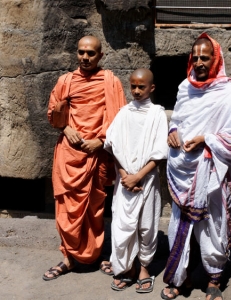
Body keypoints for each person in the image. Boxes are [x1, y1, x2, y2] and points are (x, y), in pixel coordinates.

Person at [161, 33, 231, 300]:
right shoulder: (183, 88)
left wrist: (206, 139)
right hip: (182, 167)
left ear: (216, 59)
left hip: (213, 169)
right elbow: (177, 118)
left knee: (213, 224)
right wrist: (173, 131)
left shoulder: (229, 92)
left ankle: (214, 278)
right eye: (196, 57)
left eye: (205, 57)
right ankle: (182, 277)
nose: (199, 62)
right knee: (180, 225)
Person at [43, 35, 127, 280]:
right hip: (69, 156)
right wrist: (65, 127)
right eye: (81, 52)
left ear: (101, 55)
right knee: (66, 210)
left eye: (91, 53)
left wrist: (101, 141)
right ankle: (68, 258)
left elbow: (121, 119)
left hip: (96, 155)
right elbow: (52, 113)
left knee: (94, 209)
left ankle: (98, 253)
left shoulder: (111, 82)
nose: (85, 57)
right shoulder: (65, 81)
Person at [103, 68, 168, 293]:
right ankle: (126, 267)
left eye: (142, 86)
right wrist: (125, 176)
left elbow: (160, 152)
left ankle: (143, 268)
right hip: (124, 182)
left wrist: (138, 176)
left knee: (146, 226)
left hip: (147, 180)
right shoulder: (123, 113)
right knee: (122, 225)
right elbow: (112, 147)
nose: (137, 91)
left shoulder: (157, 113)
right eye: (133, 86)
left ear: (152, 88)